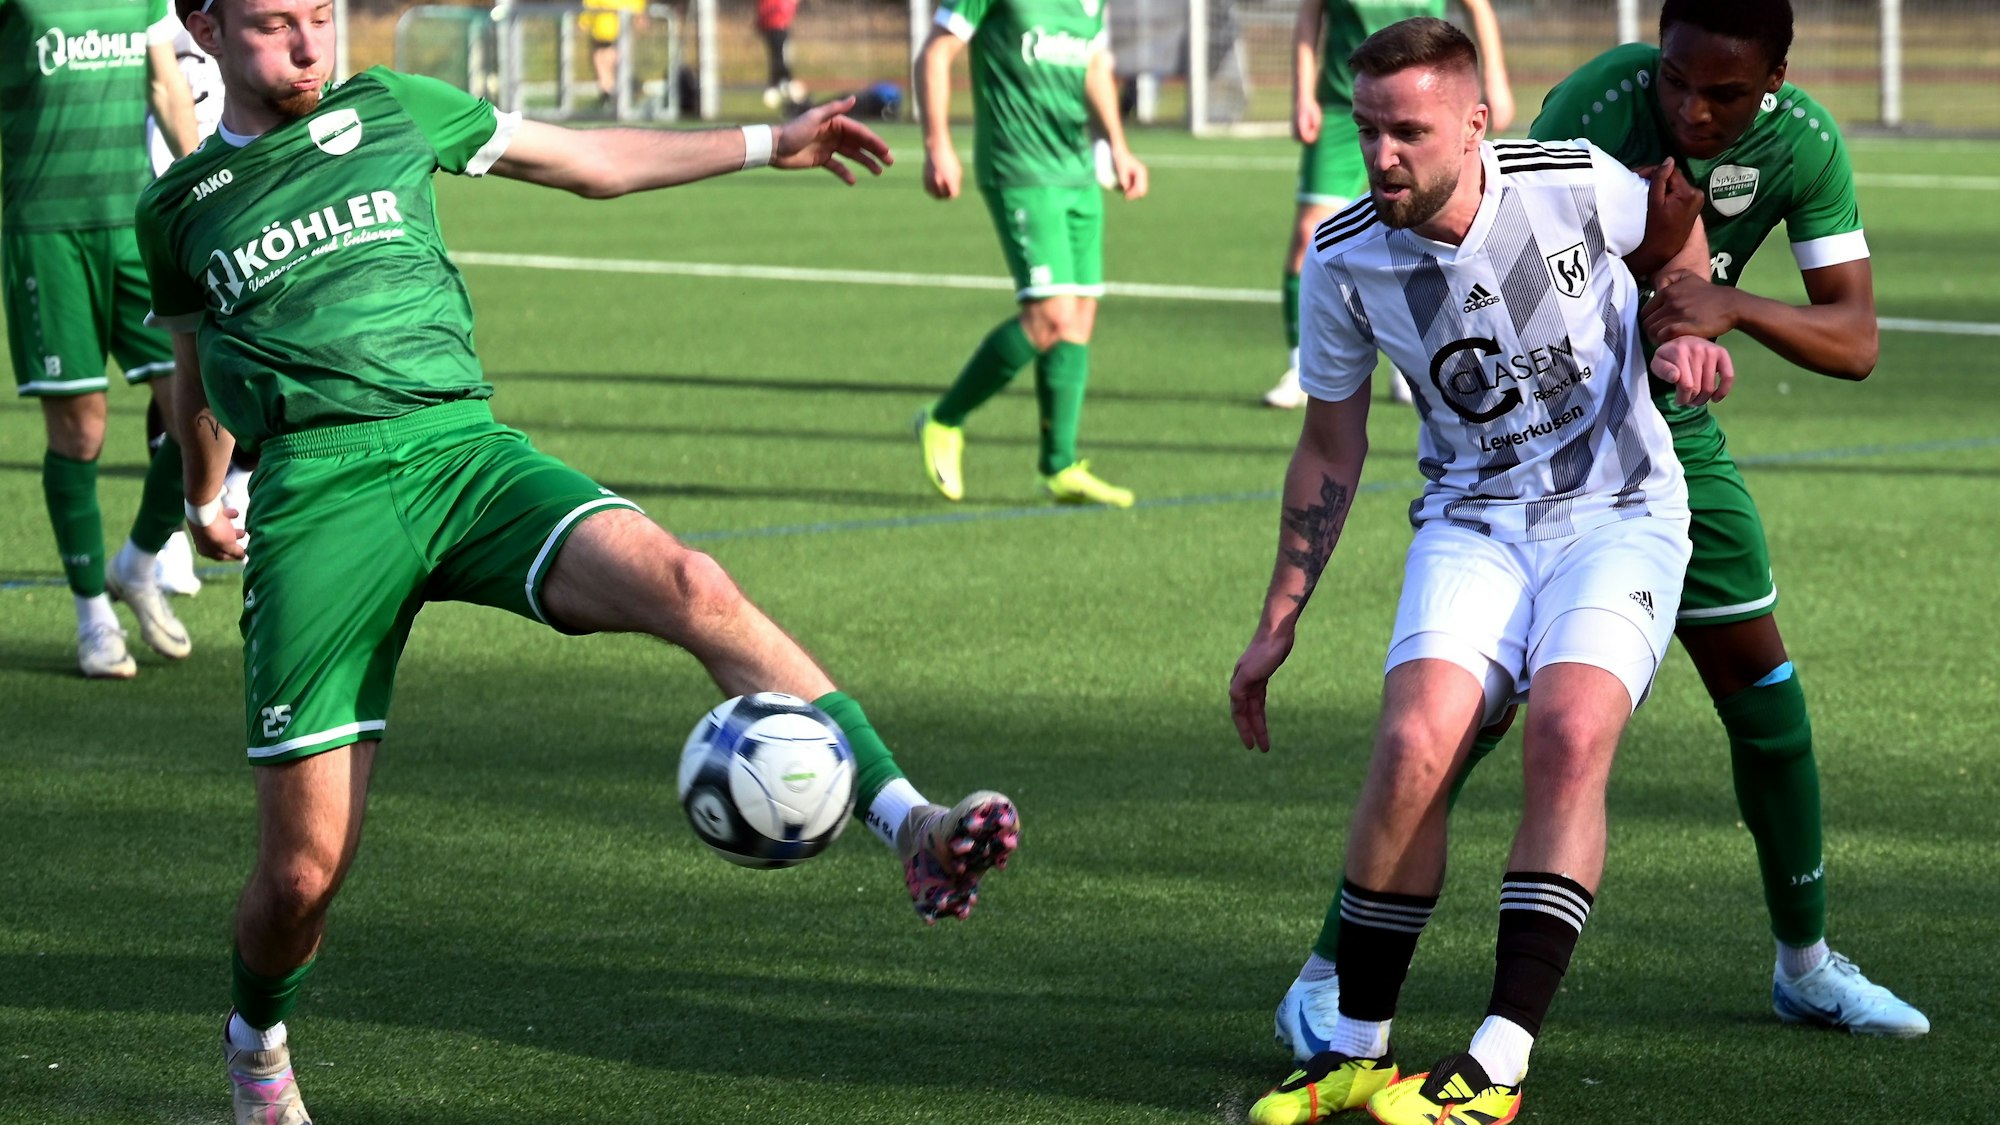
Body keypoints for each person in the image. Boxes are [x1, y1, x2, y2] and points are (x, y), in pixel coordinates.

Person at [137, 3, 1018, 1121]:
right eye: (275, 24)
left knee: (692, 583)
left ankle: (910, 822)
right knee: (302, 876)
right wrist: (205, 496)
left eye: (322, 14)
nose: (311, 45)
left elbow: (588, 158)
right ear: (204, 26)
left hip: (463, 454)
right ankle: (257, 1039)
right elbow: (194, 366)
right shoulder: (177, 208)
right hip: (318, 499)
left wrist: (766, 141)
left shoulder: (392, 107)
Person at [1228, 18, 1730, 1124]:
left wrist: (1684, 332)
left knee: (1565, 733)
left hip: (1619, 512)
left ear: (1473, 122)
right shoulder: (1348, 253)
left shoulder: (1568, 183)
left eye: (1405, 130)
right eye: (1365, 131)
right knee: (1411, 742)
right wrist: (1279, 616)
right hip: (1472, 519)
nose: (1379, 155)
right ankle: (1354, 1050)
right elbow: (1329, 444)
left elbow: (1674, 253)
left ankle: (1494, 1064)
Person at [1518, 0, 1925, 1036]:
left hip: (1676, 443)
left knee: (1762, 687)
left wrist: (1732, 308)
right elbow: (1527, 289)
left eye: (1723, 94)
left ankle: (1805, 966)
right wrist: (1668, 311)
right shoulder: (1597, 106)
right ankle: (1336, 968)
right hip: (1552, 439)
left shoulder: (1803, 146)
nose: (1689, 111)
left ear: (1774, 78)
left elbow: (1853, 338)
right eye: (1674, 81)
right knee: (1471, 710)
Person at [4, 0, 199, 677]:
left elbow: (164, 80)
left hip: (134, 224)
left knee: (198, 415)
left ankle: (139, 562)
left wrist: (205, 182)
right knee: (81, 432)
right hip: (45, 231)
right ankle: (93, 615)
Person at [912, 0, 1149, 508]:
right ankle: (943, 419)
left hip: (1076, 171)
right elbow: (935, 53)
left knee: (1081, 313)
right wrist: (938, 144)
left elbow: (1092, 65)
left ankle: (1060, 464)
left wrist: (1118, 145)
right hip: (1018, 167)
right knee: (1049, 314)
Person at [1261, 0, 1512, 411]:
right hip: (1345, 108)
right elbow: (1310, 15)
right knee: (1309, 234)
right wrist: (1303, 94)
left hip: (1421, 109)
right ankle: (1301, 367)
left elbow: (1478, 7)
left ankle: (1416, 359)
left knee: (1429, 226)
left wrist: (1496, 81)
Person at [144, 4, 233, 597]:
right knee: (184, 358)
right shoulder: (160, 14)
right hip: (174, 180)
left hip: (247, 167)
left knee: (239, 341)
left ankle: (236, 486)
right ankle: (170, 531)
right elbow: (157, 78)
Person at [579, 0, 647, 111]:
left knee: (612, 63)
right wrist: (585, 22)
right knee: (601, 62)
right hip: (601, 33)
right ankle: (609, 96)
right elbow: (589, 9)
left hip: (619, 34)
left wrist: (639, 18)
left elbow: (638, 11)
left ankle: (626, 91)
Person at [757, 0, 805, 110]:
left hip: (778, 24)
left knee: (779, 57)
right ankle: (783, 85)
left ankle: (783, 85)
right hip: (773, 25)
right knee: (778, 58)